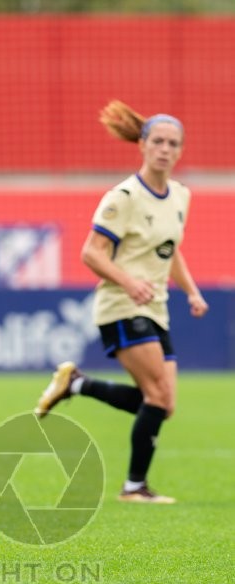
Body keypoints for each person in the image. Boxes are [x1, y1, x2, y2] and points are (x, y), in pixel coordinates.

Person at [34, 99, 208, 504]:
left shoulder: (181, 195)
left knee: (163, 403)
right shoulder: (124, 197)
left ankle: (76, 383)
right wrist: (129, 282)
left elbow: (170, 250)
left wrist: (192, 290)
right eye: (158, 141)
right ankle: (134, 488)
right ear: (142, 145)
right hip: (121, 305)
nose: (165, 149)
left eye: (173, 143)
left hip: (156, 306)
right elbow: (91, 253)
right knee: (158, 396)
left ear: (180, 151)